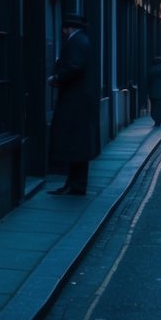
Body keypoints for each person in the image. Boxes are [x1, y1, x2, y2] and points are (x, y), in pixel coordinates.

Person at [47, 11, 100, 195]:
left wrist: (56, 77)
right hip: (80, 100)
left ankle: (76, 184)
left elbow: (74, 66)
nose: (63, 33)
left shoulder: (76, 41)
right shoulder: (83, 40)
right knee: (77, 144)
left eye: (64, 29)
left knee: (73, 142)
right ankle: (74, 183)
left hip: (75, 100)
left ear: (68, 28)